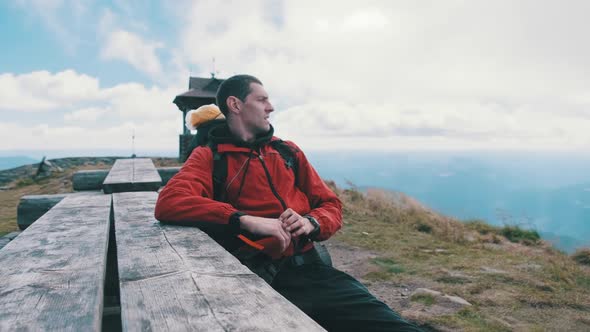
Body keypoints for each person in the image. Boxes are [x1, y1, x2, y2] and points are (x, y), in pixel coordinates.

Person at [155, 74, 421, 332]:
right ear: (235, 105)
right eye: (261, 100)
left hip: (311, 271)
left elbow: (331, 204)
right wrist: (243, 219)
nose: (270, 107)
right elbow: (169, 201)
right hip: (251, 280)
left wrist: (311, 222)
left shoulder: (287, 151)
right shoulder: (209, 157)